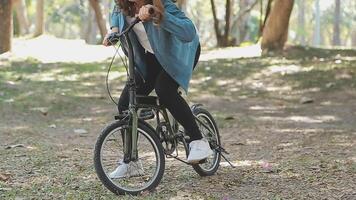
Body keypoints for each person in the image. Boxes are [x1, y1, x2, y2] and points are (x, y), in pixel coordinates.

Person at [103, 0, 213, 179]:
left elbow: (189, 32)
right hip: (152, 57)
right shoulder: (123, 6)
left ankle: (198, 141)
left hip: (179, 54)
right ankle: (131, 163)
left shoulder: (162, 4)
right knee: (125, 103)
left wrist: (156, 14)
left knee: (165, 90)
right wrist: (114, 31)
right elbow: (116, 13)